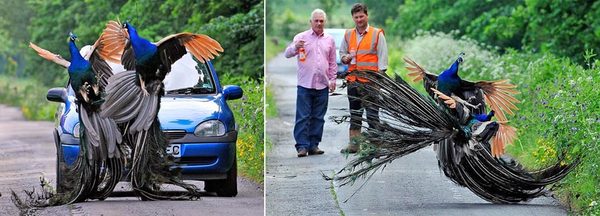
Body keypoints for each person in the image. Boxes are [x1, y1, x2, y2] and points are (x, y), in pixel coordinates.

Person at [284, 9, 337, 157]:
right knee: (303, 116)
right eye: (316, 21)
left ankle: (314, 145)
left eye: (321, 21)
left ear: (324, 22)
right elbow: (287, 54)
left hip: (323, 84)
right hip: (305, 84)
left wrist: (333, 80)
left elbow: (332, 62)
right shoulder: (301, 37)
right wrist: (295, 47)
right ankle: (302, 146)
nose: (319, 23)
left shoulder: (330, 40)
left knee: (318, 117)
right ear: (311, 22)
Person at [339, 3, 388, 154]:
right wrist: (345, 58)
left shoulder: (376, 34)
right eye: (356, 17)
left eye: (361, 16)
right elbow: (342, 54)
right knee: (355, 113)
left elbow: (383, 59)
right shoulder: (348, 34)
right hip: (353, 81)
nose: (359, 19)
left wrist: (378, 79)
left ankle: (375, 145)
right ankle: (354, 145)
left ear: (367, 16)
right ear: (353, 18)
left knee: (372, 114)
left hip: (371, 82)